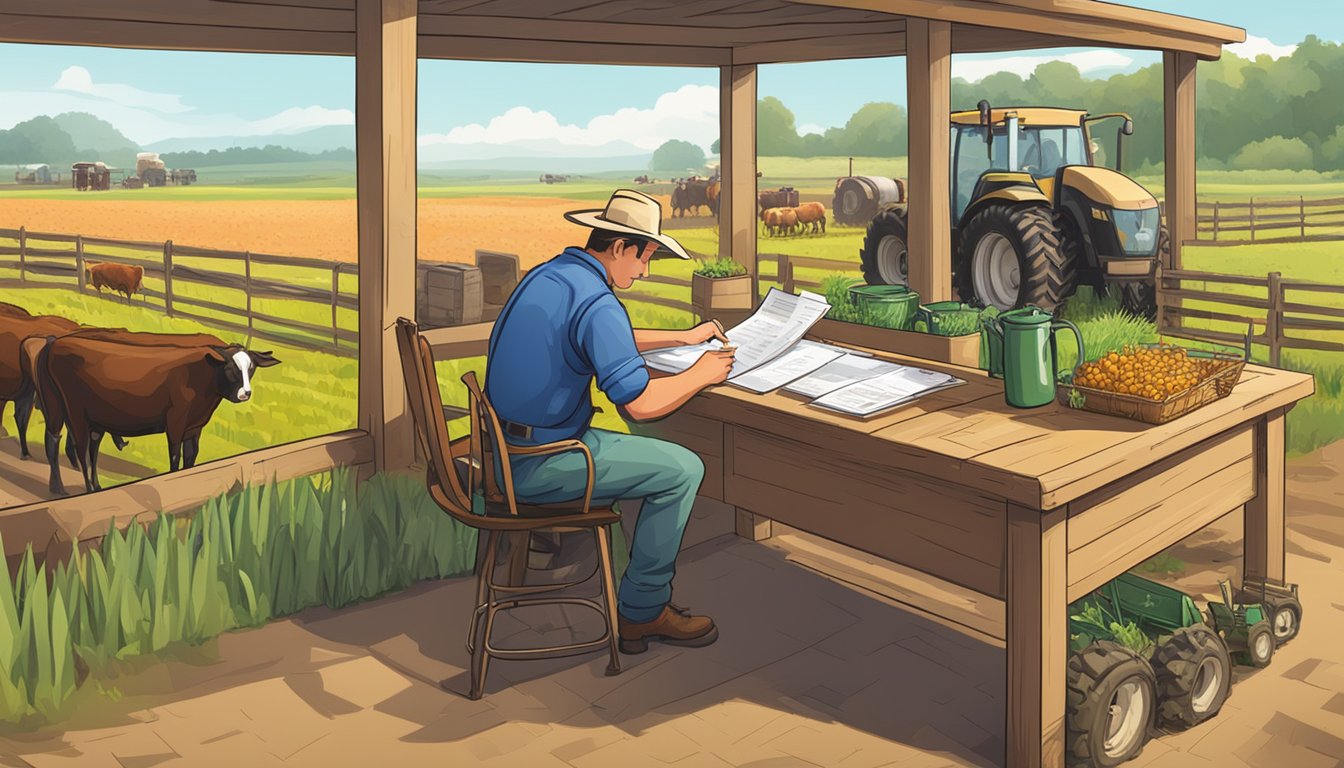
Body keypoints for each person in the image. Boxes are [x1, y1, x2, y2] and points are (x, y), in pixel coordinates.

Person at [485, 188, 735, 654]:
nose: (644, 270)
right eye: (646, 257)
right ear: (619, 247)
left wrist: (681, 337)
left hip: (503, 448)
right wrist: (701, 373)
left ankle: (641, 606)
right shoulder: (598, 302)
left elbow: (602, 336)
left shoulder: (553, 276)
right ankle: (642, 613)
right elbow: (639, 405)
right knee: (683, 469)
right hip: (541, 462)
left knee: (666, 462)